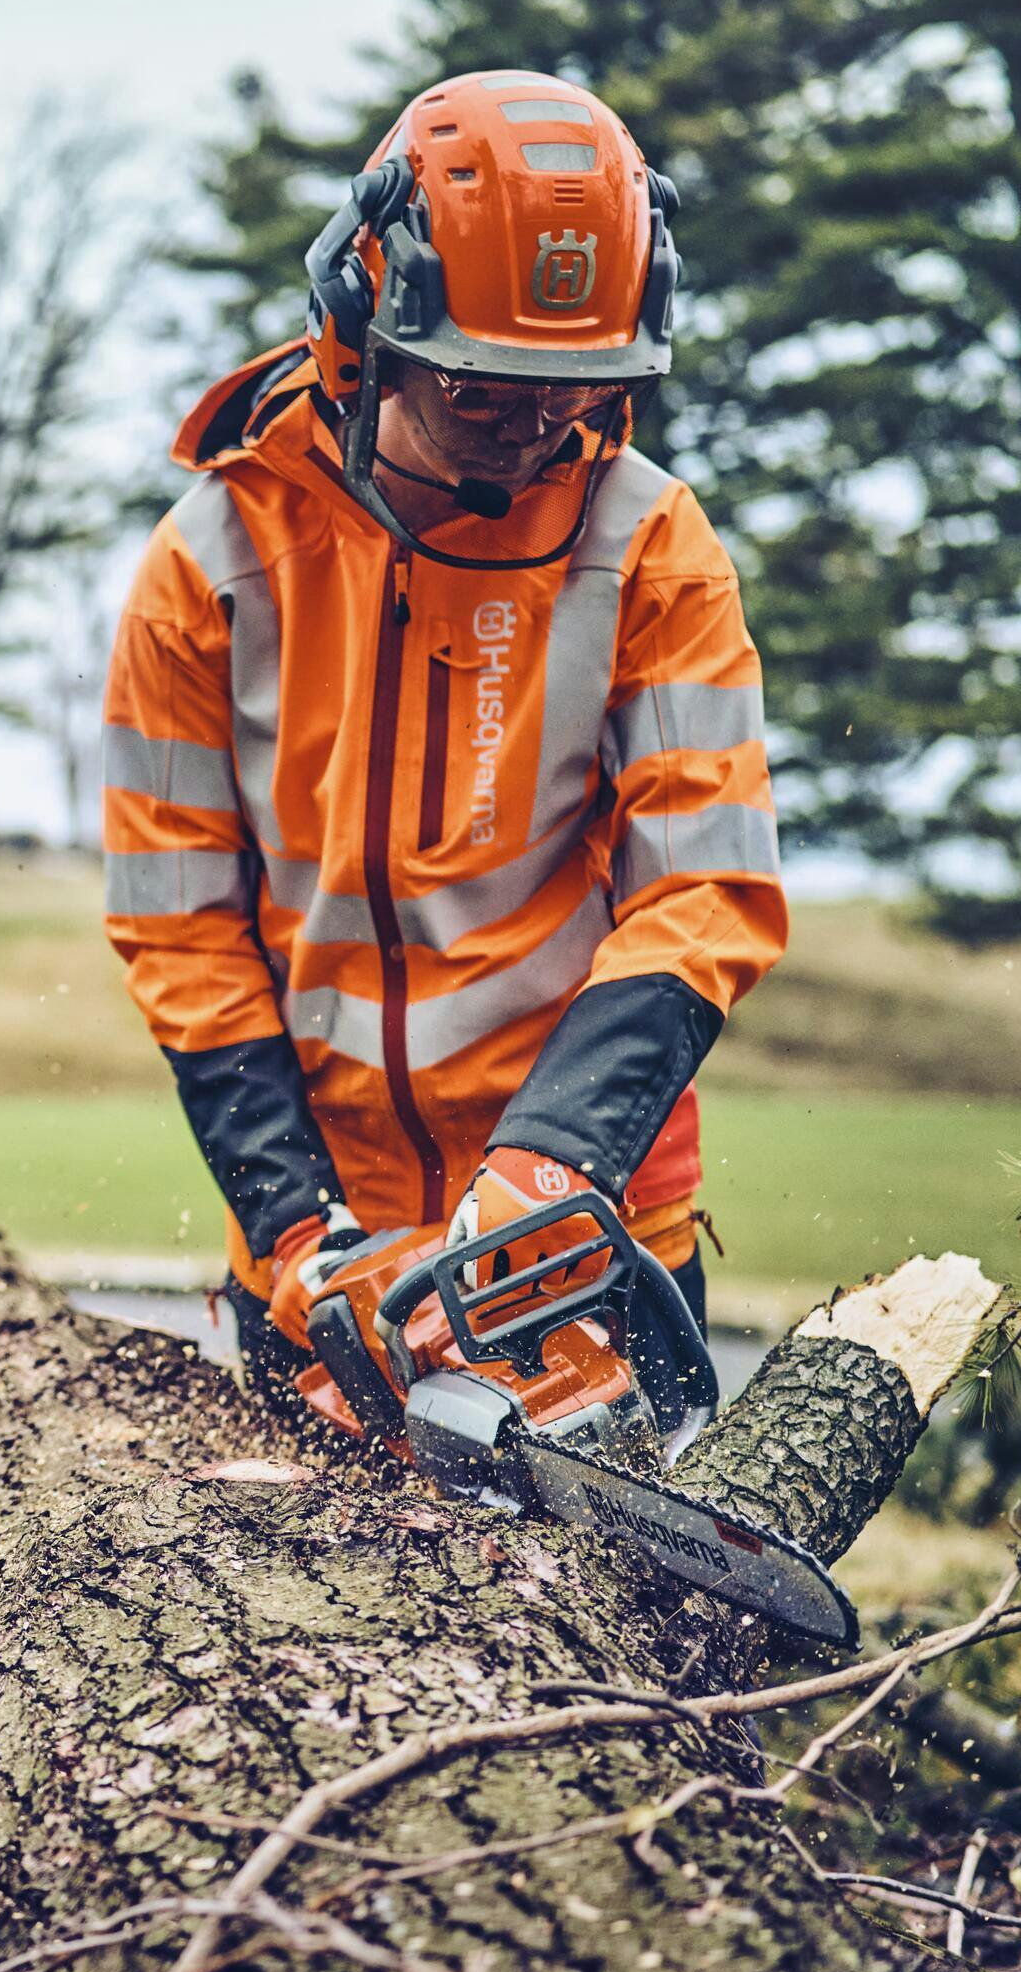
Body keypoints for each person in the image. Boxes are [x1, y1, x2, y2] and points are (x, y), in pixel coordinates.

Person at [99, 69, 785, 1418]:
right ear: (371, 319)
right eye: (489, 393)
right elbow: (178, 925)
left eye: (570, 392)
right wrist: (297, 1231)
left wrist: (553, 1162)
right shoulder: (213, 565)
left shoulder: (648, 544)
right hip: (326, 1227)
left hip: (588, 1226)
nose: (536, 430)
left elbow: (705, 887)